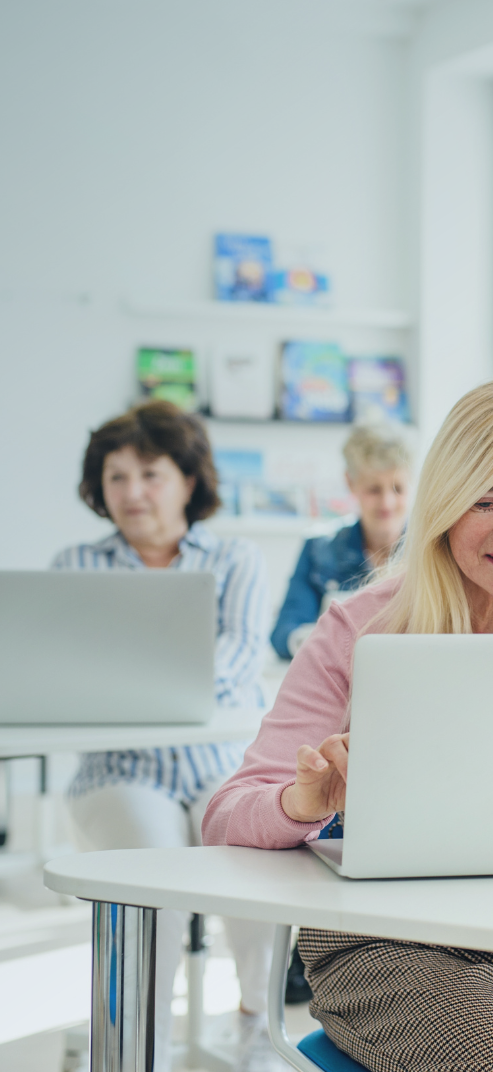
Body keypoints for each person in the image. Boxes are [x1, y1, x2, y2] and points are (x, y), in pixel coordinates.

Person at [202, 379, 493, 1072]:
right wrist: (300, 802)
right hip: (388, 940)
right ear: (443, 507)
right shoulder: (359, 626)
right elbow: (225, 814)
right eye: (484, 500)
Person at [54, 400, 281, 1072]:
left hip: (221, 765)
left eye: (149, 474)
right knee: (152, 887)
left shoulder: (235, 559)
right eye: (116, 477)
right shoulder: (76, 566)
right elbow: (68, 675)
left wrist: (136, 692)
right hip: (121, 771)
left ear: (187, 479)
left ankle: (255, 1032)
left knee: (253, 870)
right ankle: (133, 1055)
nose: (132, 493)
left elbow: (239, 657)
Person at [270, 425, 411, 659]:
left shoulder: (435, 552)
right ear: (350, 483)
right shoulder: (318, 551)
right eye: (374, 489)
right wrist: (321, 642)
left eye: (398, 488)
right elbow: (284, 632)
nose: (387, 502)